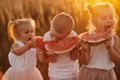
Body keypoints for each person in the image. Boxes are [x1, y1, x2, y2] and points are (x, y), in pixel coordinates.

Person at [78, 2, 120, 80]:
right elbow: (85, 62)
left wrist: (109, 48)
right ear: (94, 21)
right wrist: (84, 50)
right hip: (88, 74)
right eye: (103, 18)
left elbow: (118, 61)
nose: (108, 20)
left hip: (107, 75)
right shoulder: (88, 37)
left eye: (111, 17)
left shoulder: (115, 38)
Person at [43, 12, 79, 80]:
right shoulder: (47, 36)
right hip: (55, 74)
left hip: (71, 74)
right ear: (51, 25)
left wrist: (76, 48)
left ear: (69, 33)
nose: (54, 39)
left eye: (59, 38)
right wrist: (50, 56)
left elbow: (74, 58)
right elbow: (50, 60)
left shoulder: (73, 36)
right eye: (52, 35)